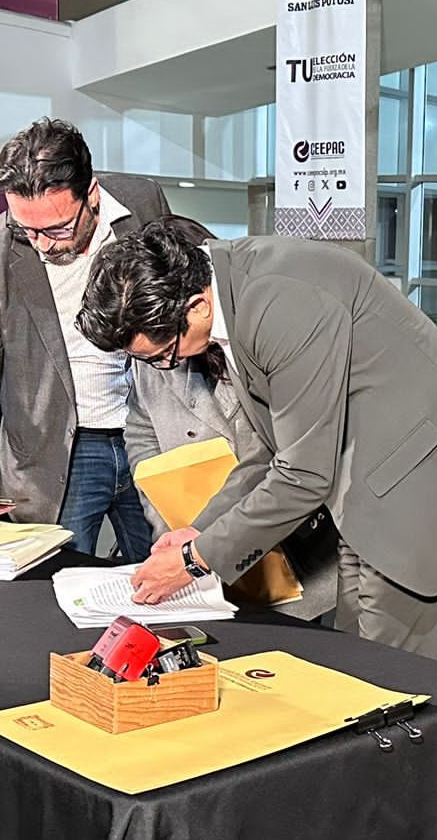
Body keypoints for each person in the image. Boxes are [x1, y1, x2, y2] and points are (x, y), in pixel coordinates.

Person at [79, 223, 437, 662]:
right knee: (356, 666)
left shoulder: (277, 303)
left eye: (163, 356)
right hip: (368, 483)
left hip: (423, 481)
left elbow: (302, 474)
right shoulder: (229, 290)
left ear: (195, 307)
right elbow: (269, 447)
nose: (167, 367)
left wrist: (196, 561)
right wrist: (202, 528)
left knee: (398, 682)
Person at [0, 118, 168, 557]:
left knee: (169, 582)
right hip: (58, 454)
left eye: (58, 228)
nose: (42, 244)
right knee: (56, 592)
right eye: (26, 229)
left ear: (92, 195)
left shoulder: (144, 203)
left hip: (153, 434)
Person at [122, 216, 339, 622]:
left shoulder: (261, 345)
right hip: (191, 541)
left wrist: (204, 543)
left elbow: (280, 462)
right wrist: (166, 508)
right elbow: (138, 429)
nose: (163, 361)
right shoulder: (152, 346)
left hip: (282, 544)